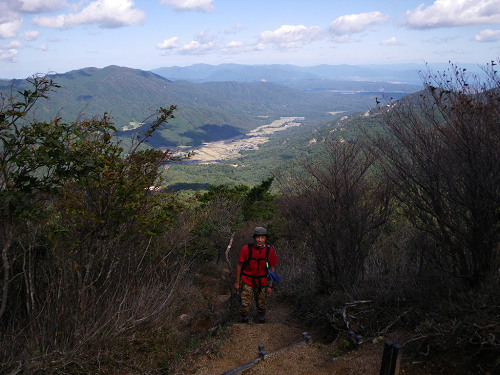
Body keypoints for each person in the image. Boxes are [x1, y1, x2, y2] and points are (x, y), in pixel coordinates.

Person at [234, 226, 278, 323]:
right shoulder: (246, 249)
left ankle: (261, 319)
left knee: (262, 305)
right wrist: (237, 282)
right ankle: (244, 320)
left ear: (265, 238)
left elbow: (272, 268)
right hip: (247, 280)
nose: (259, 240)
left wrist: (270, 285)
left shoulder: (269, 251)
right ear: (254, 238)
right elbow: (239, 266)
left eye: (262, 237)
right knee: (244, 305)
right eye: (257, 237)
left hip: (262, 282)